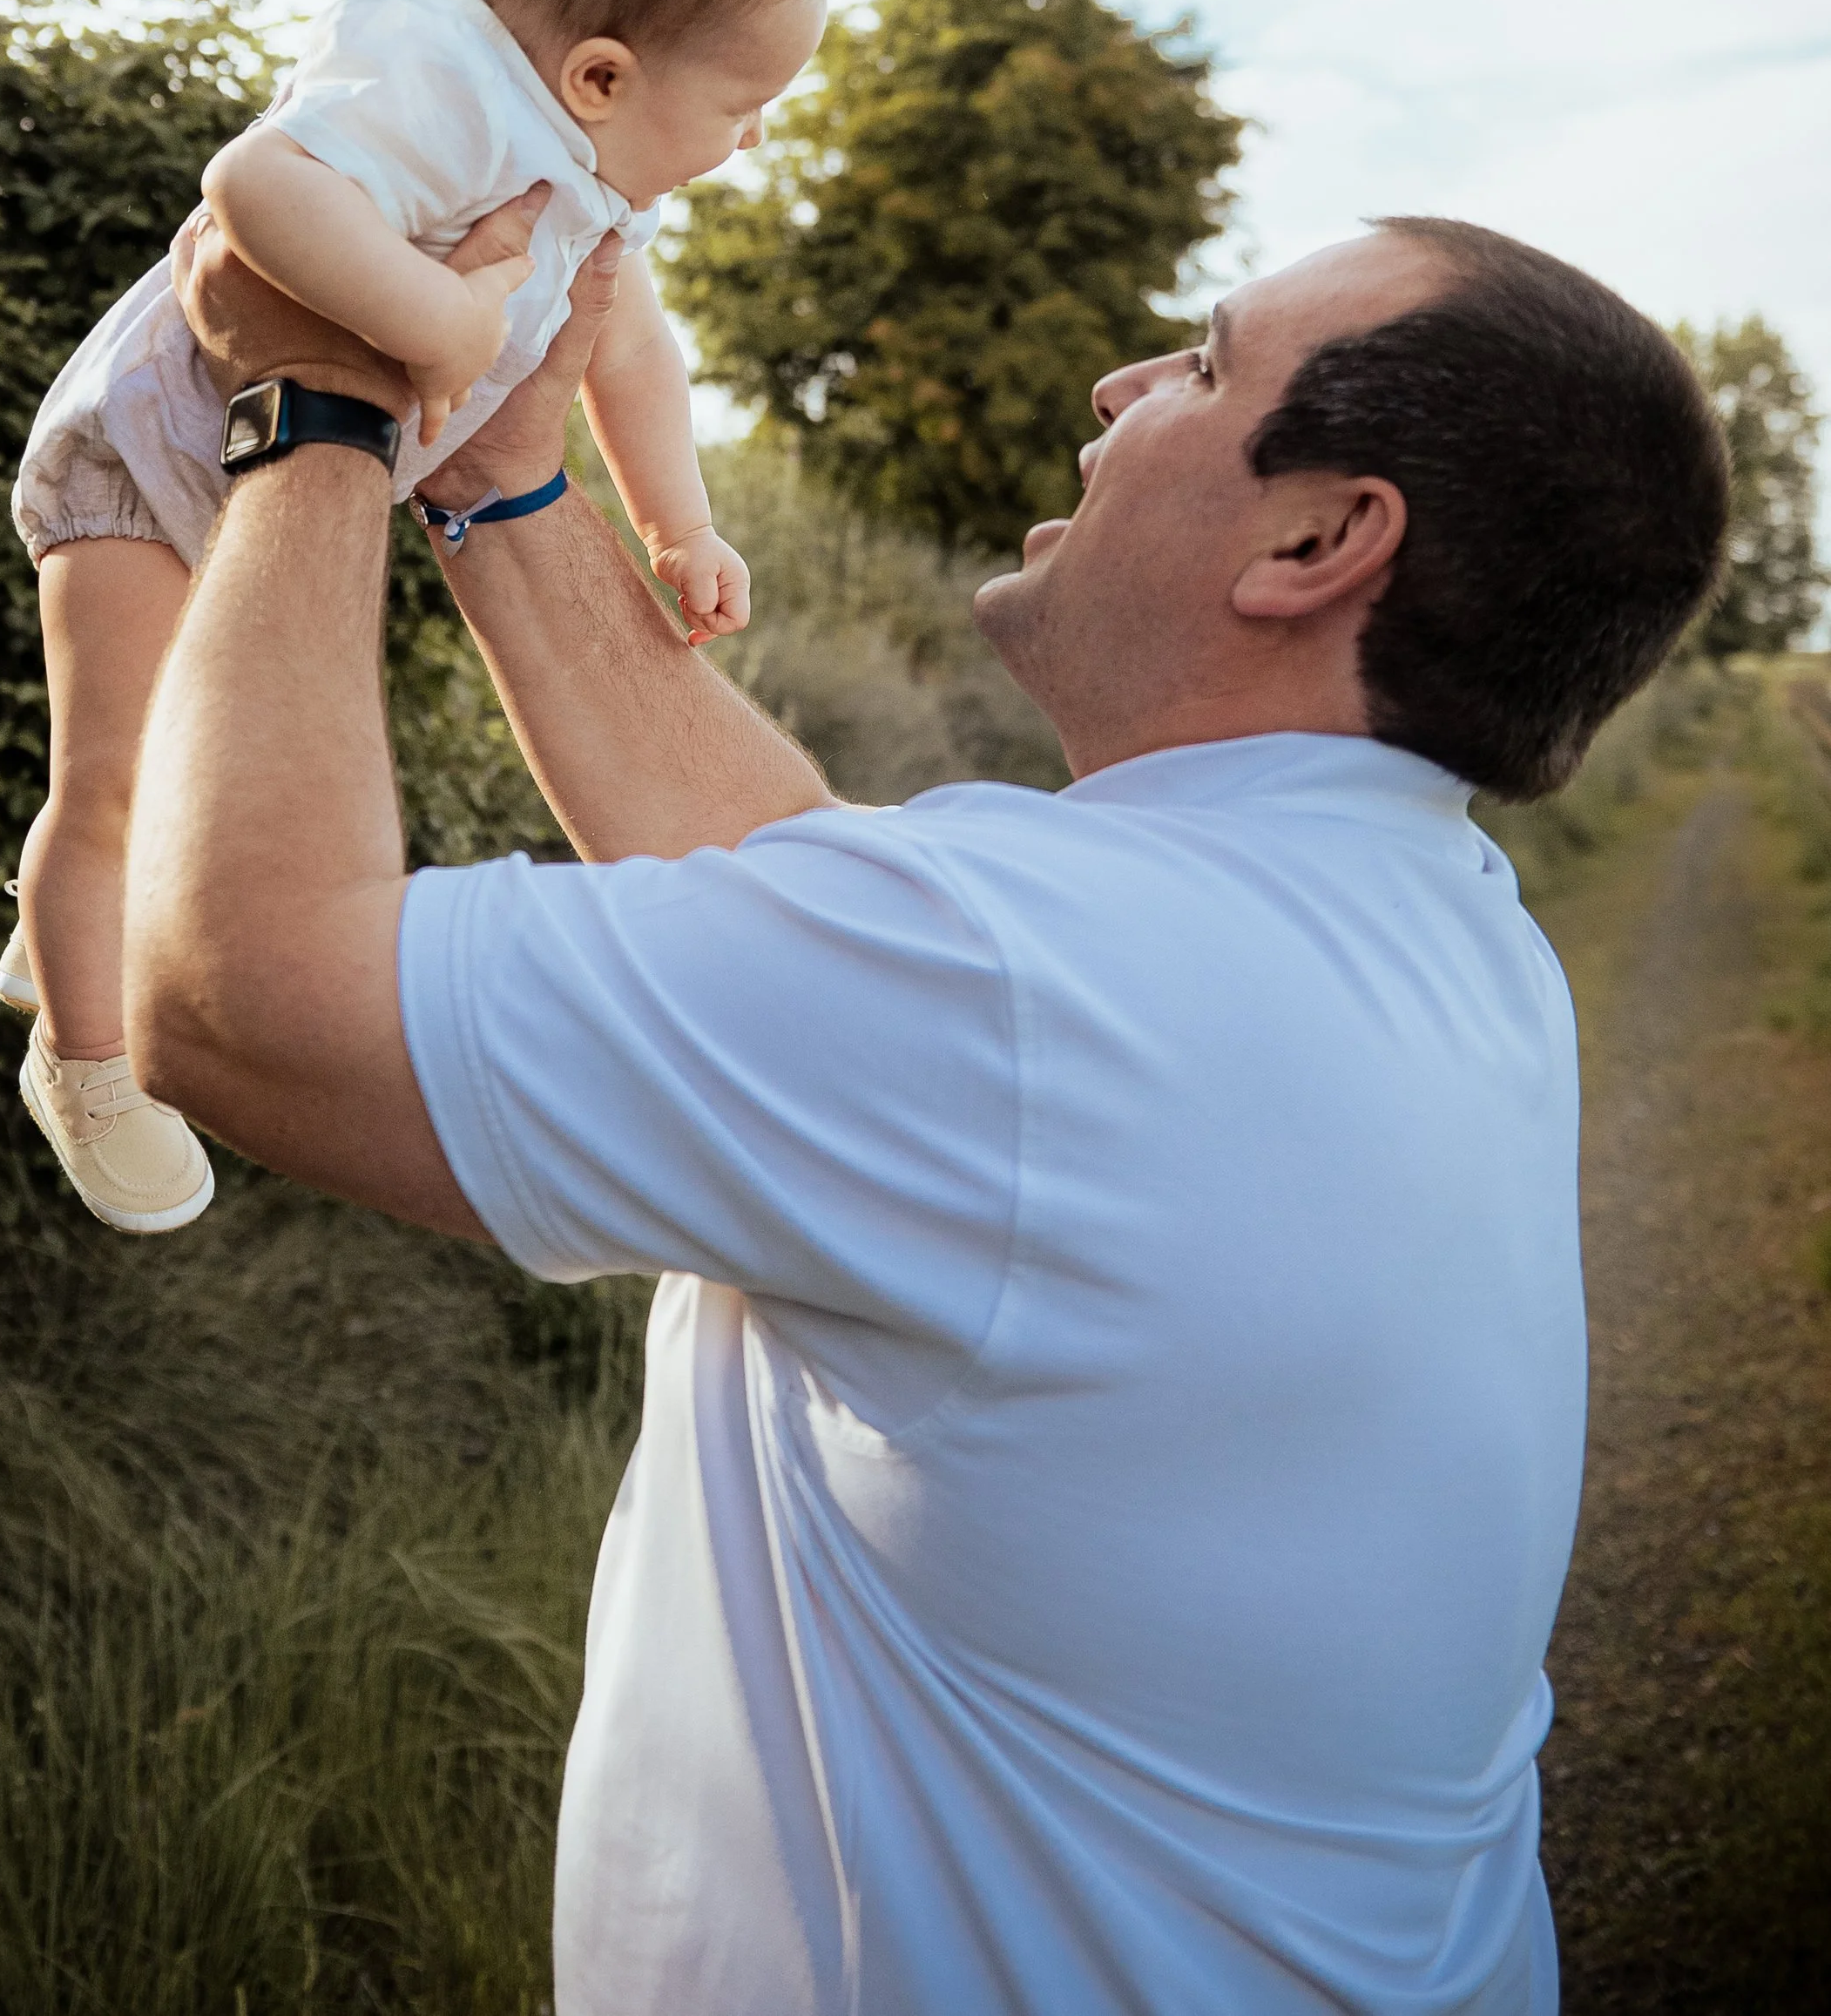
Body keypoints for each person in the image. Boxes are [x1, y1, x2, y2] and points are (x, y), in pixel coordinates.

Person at [122, 206, 1727, 2015]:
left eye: (1199, 362)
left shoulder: (1020, 976)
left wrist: (314, 414)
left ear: (1316, 536)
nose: (1118, 385)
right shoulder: (1432, 926)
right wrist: (505, 485)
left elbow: (235, 998)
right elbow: (803, 912)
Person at [0, 0, 828, 1234]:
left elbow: (627, 344)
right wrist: (436, 329)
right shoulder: (439, 75)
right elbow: (257, 185)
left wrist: (677, 525)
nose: (750, 140)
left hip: (270, 491)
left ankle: (62, 931)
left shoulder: (592, 186)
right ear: (602, 77)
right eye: (744, 105)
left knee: (185, 784)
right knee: (115, 781)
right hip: (147, 454)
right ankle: (86, 1060)